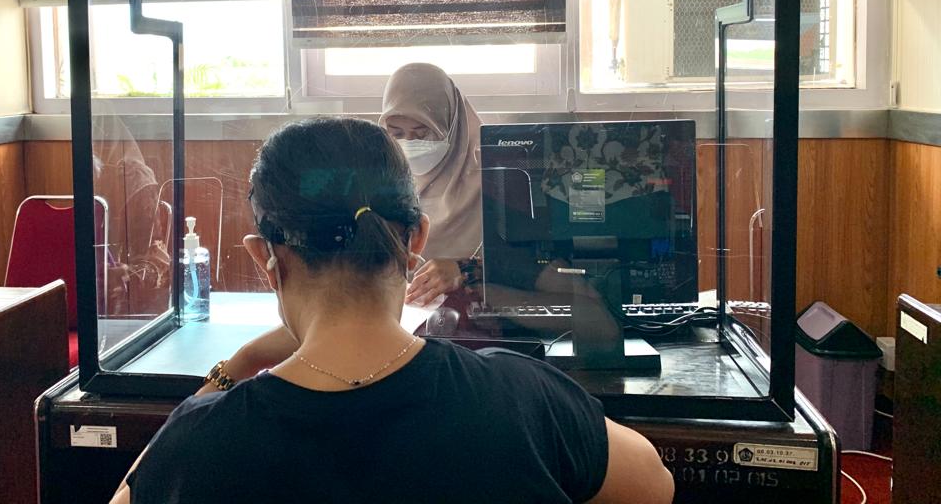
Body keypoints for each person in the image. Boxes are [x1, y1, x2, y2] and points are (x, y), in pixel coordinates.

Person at [109, 117, 673, 504]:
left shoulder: (204, 441)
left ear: (265, 258)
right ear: (416, 239)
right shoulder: (522, 396)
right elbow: (654, 485)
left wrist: (238, 364)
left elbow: (138, 488)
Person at [380, 63, 483, 306]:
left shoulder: (493, 183)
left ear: (453, 127)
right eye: (396, 134)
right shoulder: (377, 185)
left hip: (475, 322)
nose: (410, 143)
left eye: (423, 133)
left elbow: (532, 271)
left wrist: (466, 269)